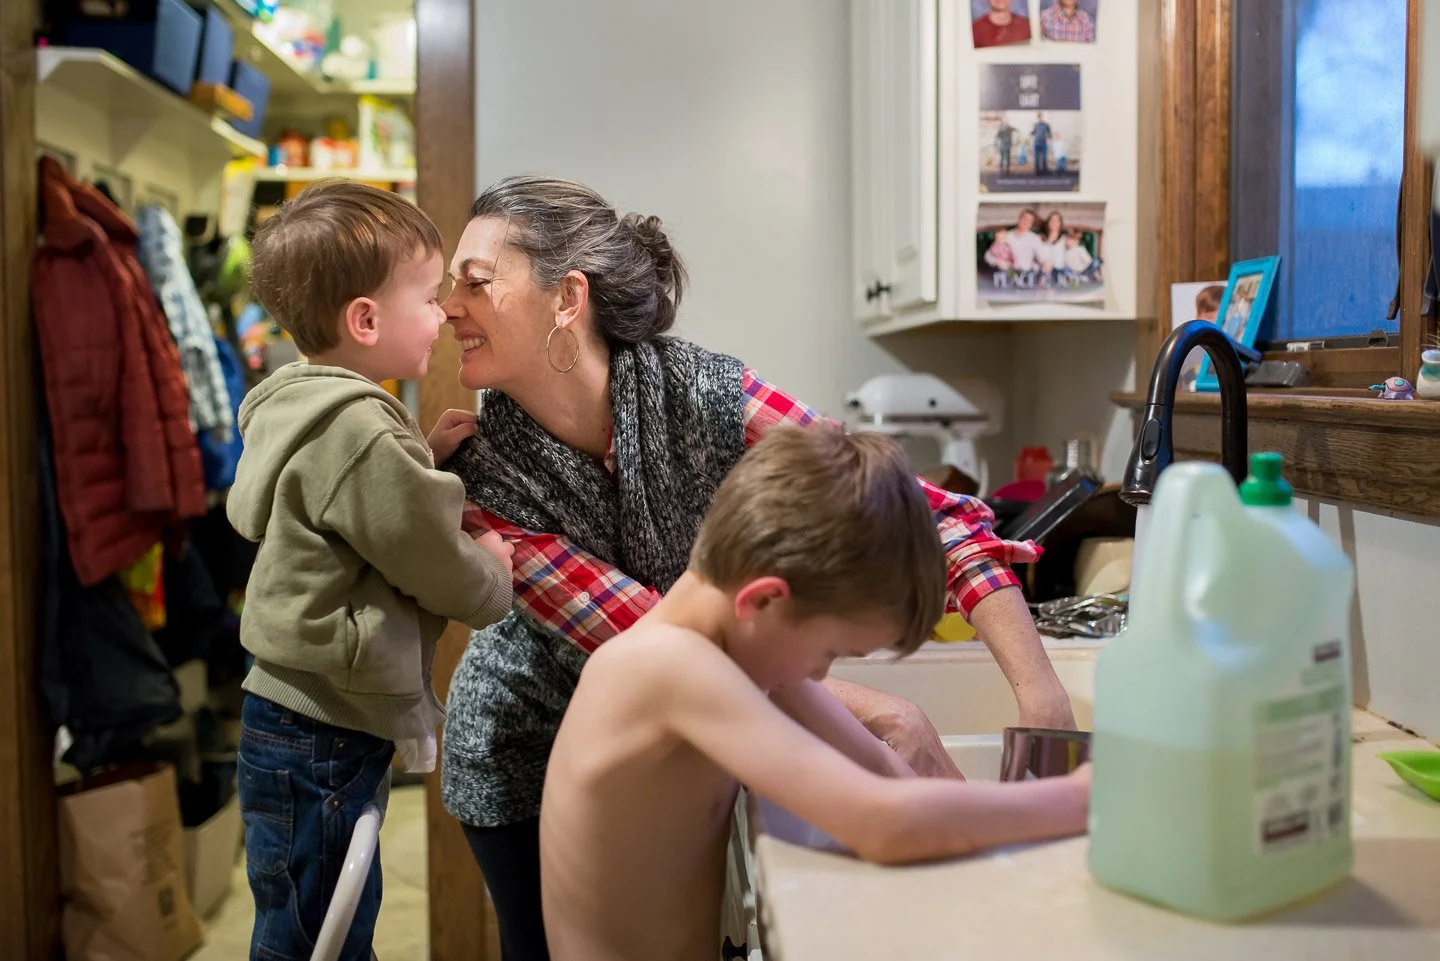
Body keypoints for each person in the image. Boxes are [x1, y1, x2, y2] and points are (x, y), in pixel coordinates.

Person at [435, 176, 1076, 961]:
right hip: (522, 749)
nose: (446, 307)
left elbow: (903, 507)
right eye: (447, 285)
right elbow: (650, 630)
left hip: (673, 735)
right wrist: (1078, 798)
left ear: (567, 298)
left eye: (473, 282)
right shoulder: (484, 483)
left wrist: (1042, 701)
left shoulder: (699, 391)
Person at [541, 426, 1092, 961]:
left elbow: (883, 772)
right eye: (831, 652)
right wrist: (1084, 799)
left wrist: (990, 840)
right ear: (764, 602)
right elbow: (881, 822)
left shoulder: (740, 650)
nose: (821, 672)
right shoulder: (671, 666)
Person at [228, 181, 517, 961]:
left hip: (294, 717)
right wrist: (493, 574)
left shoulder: (301, 405)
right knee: (319, 935)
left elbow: (349, 515)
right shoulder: (358, 429)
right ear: (366, 319)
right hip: (322, 730)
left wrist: (419, 459)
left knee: (314, 915)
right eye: (429, 297)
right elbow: (426, 560)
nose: (447, 312)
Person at [1180, 283, 1227, 391]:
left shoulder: (1227, 352)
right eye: (1210, 317)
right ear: (1198, 316)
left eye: (1222, 319)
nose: (1215, 323)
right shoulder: (1184, 349)